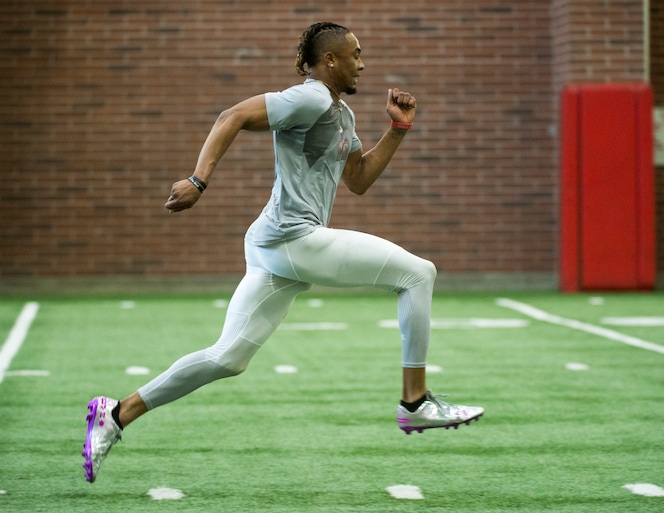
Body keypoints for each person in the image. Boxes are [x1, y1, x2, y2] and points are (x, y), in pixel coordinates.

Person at [82, 21, 484, 483]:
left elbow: (357, 179)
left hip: (277, 246)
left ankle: (114, 414)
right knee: (419, 273)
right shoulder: (310, 96)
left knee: (227, 358)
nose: (363, 62)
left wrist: (397, 129)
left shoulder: (341, 114)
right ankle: (415, 401)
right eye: (355, 53)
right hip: (292, 239)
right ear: (330, 60)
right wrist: (198, 180)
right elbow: (230, 116)